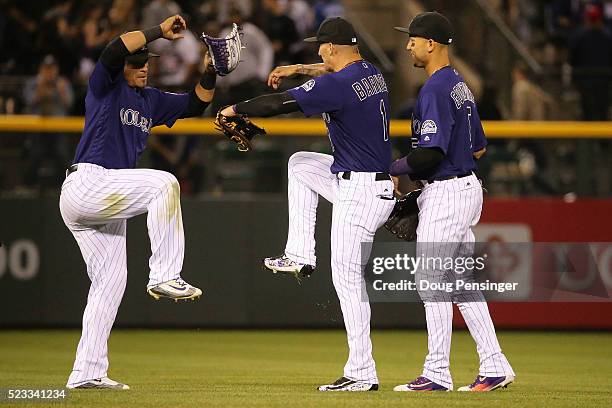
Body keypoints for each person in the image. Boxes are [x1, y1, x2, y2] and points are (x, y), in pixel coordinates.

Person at [219, 17, 395, 392]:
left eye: (321, 46)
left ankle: (362, 372)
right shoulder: (369, 71)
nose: (317, 51)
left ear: (332, 47)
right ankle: (299, 253)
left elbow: (280, 103)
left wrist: (236, 109)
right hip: (370, 183)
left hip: (360, 191)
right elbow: (328, 70)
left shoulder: (339, 83)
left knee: (347, 281)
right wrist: (299, 68)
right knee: (300, 164)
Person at [59, 14, 220, 390]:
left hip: (109, 198)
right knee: (163, 182)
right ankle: (165, 275)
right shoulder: (105, 86)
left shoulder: (149, 100)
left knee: (110, 284)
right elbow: (115, 49)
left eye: (146, 63)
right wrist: (158, 31)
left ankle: (87, 372)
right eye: (136, 64)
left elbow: (196, 106)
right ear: (123, 68)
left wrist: (211, 72)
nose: (142, 69)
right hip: (89, 182)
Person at [390, 12, 515, 392]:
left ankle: (436, 373)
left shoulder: (435, 89)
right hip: (465, 186)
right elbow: (478, 148)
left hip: (446, 190)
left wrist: (393, 168)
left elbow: (429, 155)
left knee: (431, 280)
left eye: (414, 38)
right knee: (459, 282)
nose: (408, 44)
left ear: (433, 44)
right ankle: (494, 365)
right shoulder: (459, 85)